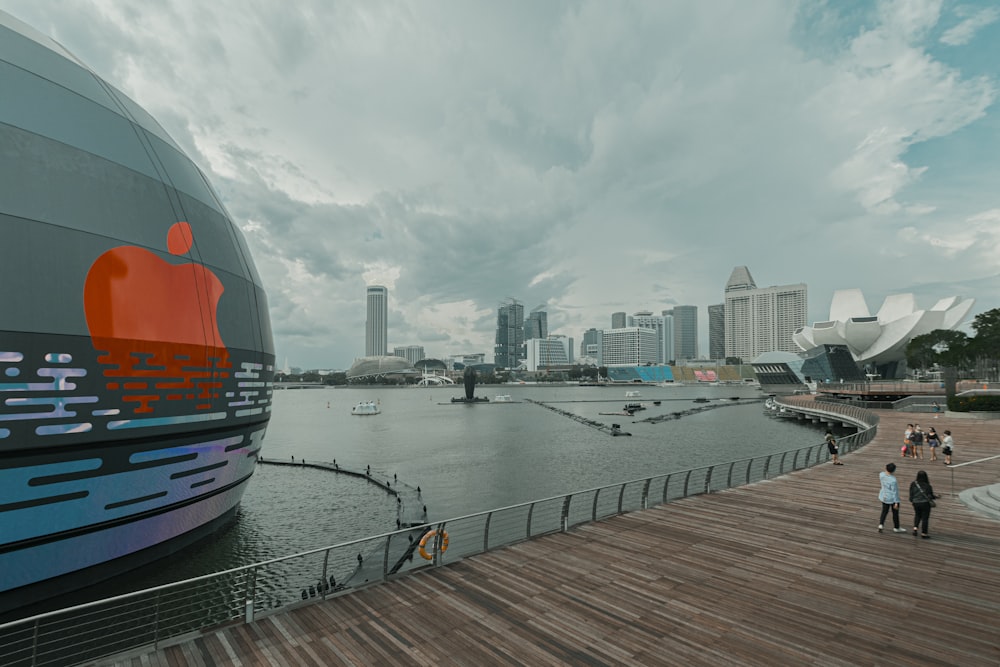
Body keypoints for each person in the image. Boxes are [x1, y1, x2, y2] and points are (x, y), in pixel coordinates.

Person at [909, 470, 939, 538]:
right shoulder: (927, 486)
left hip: (915, 502)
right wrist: (936, 497)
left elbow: (911, 493)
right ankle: (924, 533)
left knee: (917, 515)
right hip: (925, 503)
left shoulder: (913, 484)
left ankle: (915, 528)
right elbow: (930, 496)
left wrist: (912, 500)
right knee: (925, 518)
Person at [878, 462, 906, 533]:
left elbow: (883, 472)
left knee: (884, 511)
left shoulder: (881, 475)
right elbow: (895, 491)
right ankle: (896, 527)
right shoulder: (893, 480)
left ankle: (881, 524)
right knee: (895, 513)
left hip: (884, 496)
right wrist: (896, 502)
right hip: (891, 498)